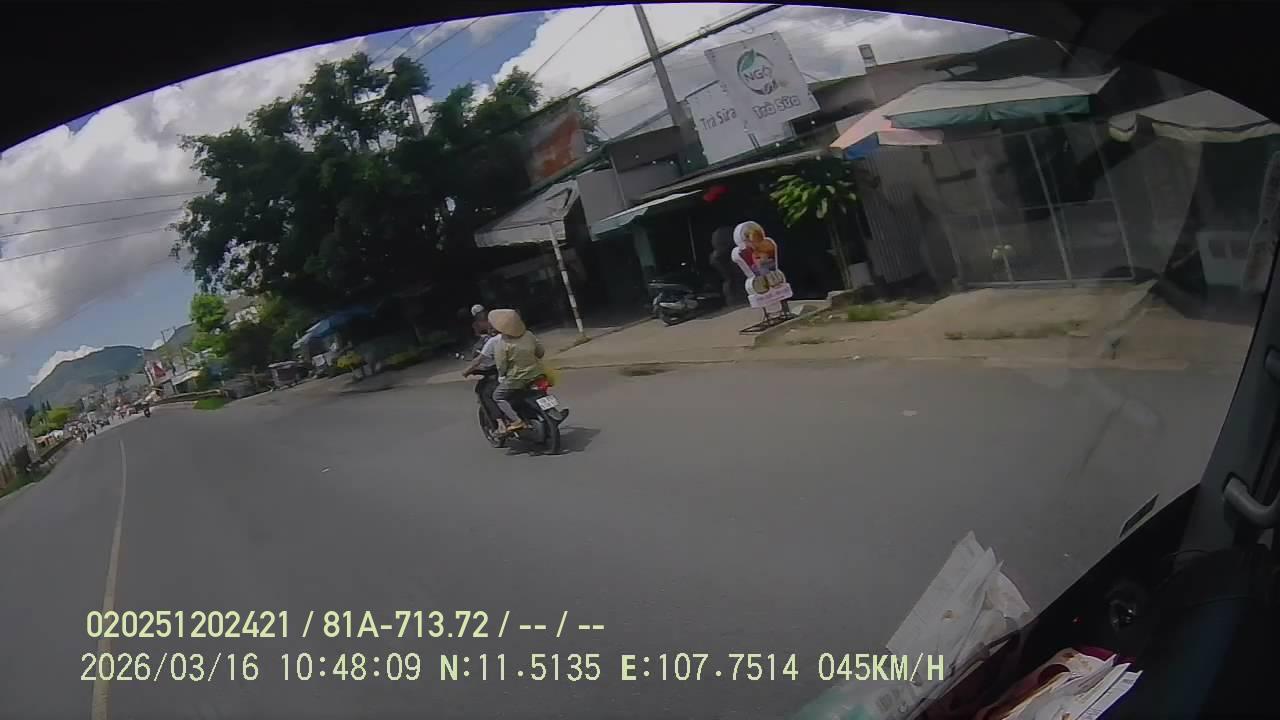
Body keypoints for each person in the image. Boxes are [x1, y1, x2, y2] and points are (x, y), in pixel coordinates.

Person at [488, 308, 545, 435]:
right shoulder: (529, 335)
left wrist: (502, 375)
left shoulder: (502, 343)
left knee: (497, 396)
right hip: (537, 373)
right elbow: (540, 352)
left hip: (516, 379)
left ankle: (516, 420)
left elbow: (501, 366)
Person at [461, 326, 502, 422]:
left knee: (486, 394)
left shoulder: (492, 341)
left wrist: (466, 371)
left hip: (503, 374)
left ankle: (501, 422)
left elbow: (478, 360)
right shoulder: (516, 336)